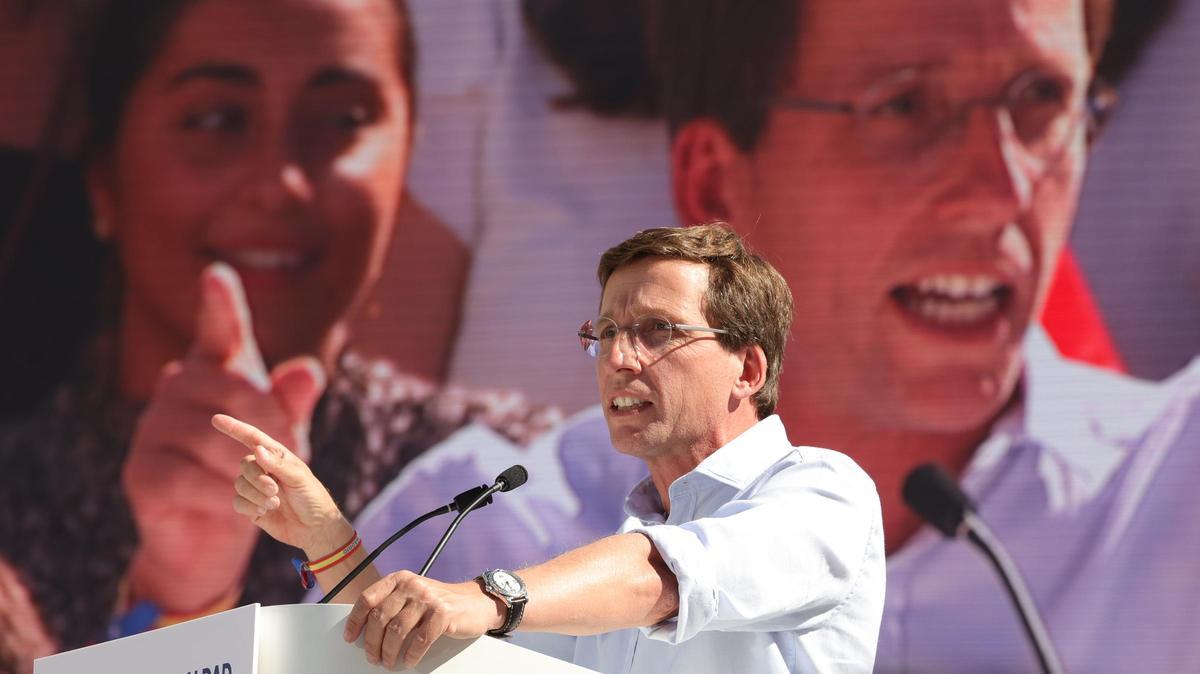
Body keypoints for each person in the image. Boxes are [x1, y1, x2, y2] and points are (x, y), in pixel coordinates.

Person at [634, 0, 1200, 671]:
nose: (1002, 189)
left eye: (1043, 96)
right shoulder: (517, 539)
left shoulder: (1175, 490)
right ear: (716, 187)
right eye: (904, 105)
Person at [0, 0, 557, 666]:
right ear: (103, 176)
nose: (280, 184)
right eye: (215, 120)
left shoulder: (518, 480)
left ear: (410, 156)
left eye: (342, 120)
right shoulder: (17, 502)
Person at [218, 224, 886, 673]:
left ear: (747, 369)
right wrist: (330, 540)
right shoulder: (615, 551)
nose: (618, 359)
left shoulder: (823, 494)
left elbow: (664, 576)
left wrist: (489, 596)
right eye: (606, 333)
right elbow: (430, 662)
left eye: (658, 331)